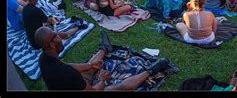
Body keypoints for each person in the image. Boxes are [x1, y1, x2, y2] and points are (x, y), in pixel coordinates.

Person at [36, 27, 171, 90]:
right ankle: (152, 69)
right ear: (53, 44)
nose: (61, 38)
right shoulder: (69, 75)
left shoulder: (44, 58)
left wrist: (90, 66)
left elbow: (65, 66)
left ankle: (104, 48)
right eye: (57, 36)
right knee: (115, 88)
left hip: (70, 85)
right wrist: (103, 80)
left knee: (90, 64)